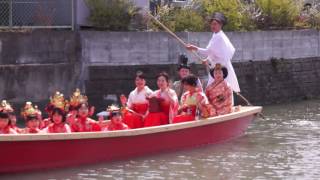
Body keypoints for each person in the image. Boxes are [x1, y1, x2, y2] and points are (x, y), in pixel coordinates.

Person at [186, 12, 240, 93]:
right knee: (212, 88)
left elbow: (208, 51)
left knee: (223, 88)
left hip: (221, 68)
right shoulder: (216, 35)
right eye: (212, 24)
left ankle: (224, 104)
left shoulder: (220, 37)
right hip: (216, 67)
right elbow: (213, 51)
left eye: (215, 24)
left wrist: (194, 48)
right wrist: (207, 60)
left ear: (220, 25)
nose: (213, 26)